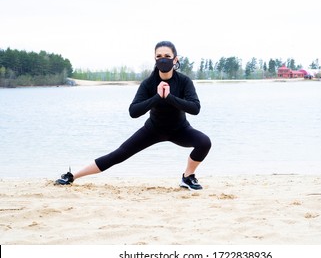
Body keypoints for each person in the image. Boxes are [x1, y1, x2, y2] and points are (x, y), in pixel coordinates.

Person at [55, 41, 211, 190]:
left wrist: (170, 97)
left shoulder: (184, 82)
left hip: (180, 130)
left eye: (167, 56)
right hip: (153, 130)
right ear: (155, 59)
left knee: (204, 142)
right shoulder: (148, 83)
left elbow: (195, 108)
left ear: (175, 59)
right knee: (118, 155)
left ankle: (188, 176)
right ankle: (72, 176)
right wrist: (157, 97)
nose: (163, 59)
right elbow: (133, 112)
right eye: (159, 56)